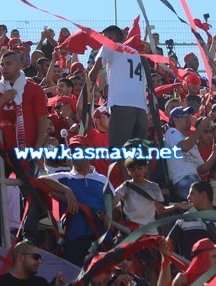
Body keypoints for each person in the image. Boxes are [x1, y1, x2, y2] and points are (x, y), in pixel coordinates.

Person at [89, 25, 148, 179]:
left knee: (119, 147)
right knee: (136, 148)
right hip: (141, 106)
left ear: (111, 38)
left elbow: (93, 72)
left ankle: (128, 182)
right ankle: (140, 182)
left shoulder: (109, 47)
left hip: (122, 102)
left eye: (104, 36)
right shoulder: (135, 53)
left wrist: (90, 74)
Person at [46, 137, 114, 267]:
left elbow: (117, 210)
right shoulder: (64, 177)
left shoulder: (103, 180)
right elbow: (41, 180)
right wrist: (67, 191)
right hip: (74, 242)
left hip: (102, 242)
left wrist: (109, 215)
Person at [167, 181, 216, 260]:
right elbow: (169, 242)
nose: (188, 197)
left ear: (204, 195)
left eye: (192, 193)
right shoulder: (185, 218)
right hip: (191, 271)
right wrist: (177, 265)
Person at [0, 51, 48, 153]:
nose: (4, 68)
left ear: (20, 66)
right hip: (3, 151)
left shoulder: (34, 89)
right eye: (2, 64)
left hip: (28, 150)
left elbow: (42, 120)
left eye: (8, 64)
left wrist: (38, 146)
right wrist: (3, 101)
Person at [164, 106, 207, 199]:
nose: (188, 117)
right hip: (181, 180)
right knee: (201, 198)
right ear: (175, 120)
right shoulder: (171, 132)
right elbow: (184, 147)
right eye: (184, 115)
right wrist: (201, 126)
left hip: (195, 180)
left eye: (189, 115)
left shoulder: (192, 142)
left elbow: (203, 168)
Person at [0, 240, 66, 286]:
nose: (39, 261)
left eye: (40, 258)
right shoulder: (0, 283)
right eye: (36, 257)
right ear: (20, 257)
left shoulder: (41, 282)